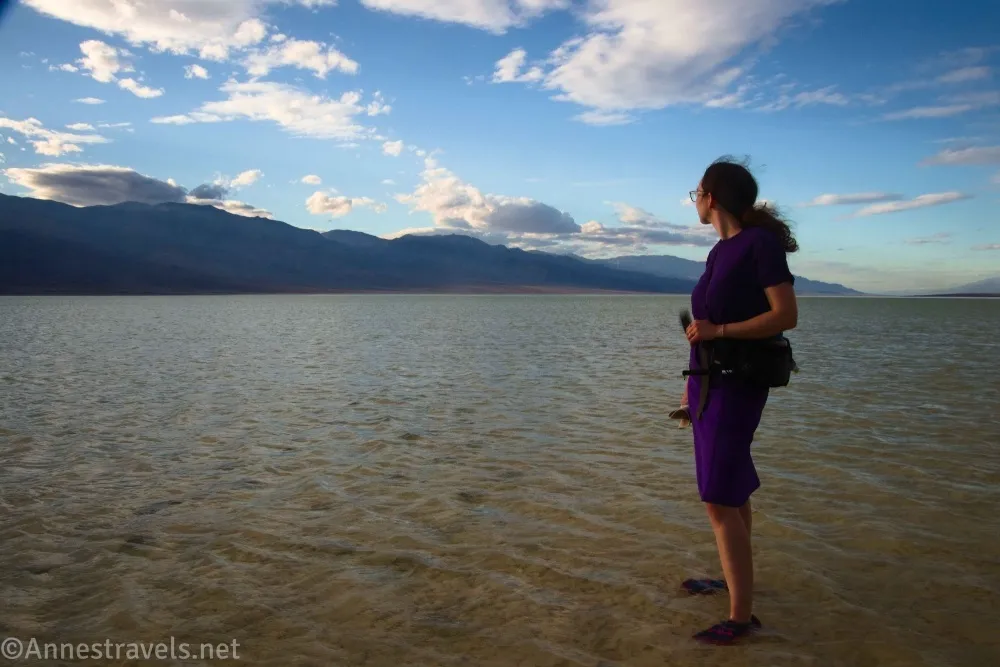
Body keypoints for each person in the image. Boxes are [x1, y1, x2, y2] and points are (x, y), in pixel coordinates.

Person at [677, 156, 799, 644]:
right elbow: (702, 330)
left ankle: (741, 620)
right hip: (708, 384)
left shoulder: (759, 245)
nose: (696, 201)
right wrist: (689, 393)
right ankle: (735, 587)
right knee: (731, 493)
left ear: (712, 196)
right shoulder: (719, 251)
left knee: (719, 499)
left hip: (739, 385)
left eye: (697, 193)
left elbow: (786, 315)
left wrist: (720, 330)